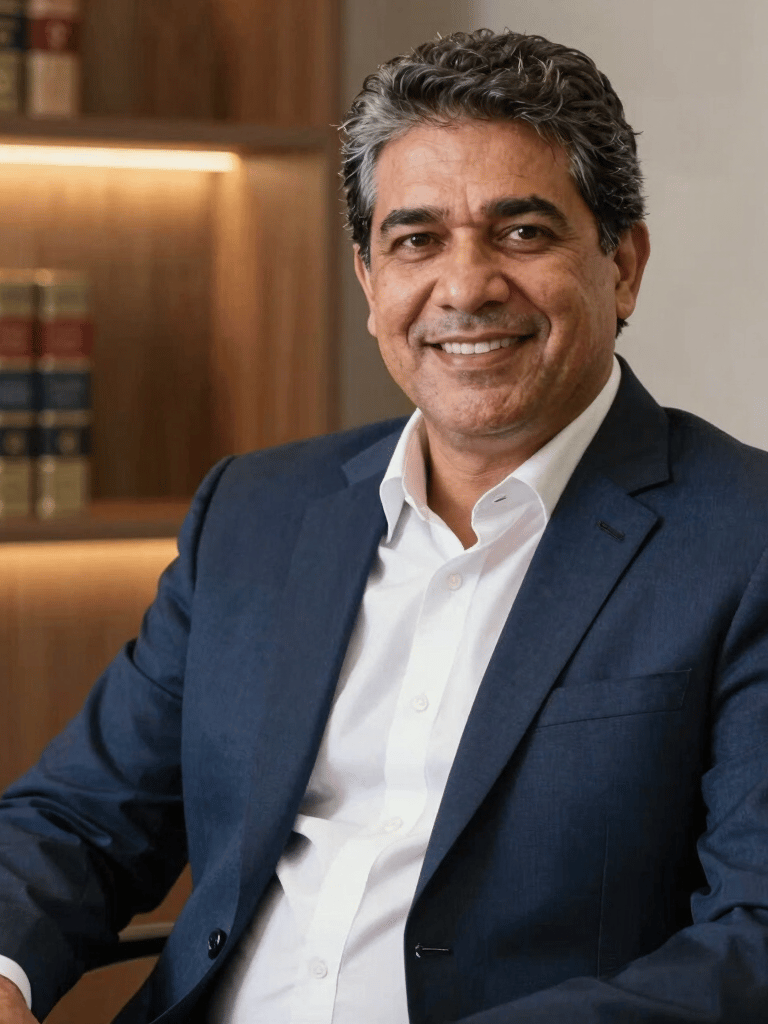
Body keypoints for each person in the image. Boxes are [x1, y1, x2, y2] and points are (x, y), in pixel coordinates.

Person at [2, 26, 768, 1024]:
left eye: (522, 232)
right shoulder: (256, 513)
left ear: (622, 265)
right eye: (416, 240)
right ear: (370, 283)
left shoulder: (741, 538)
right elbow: (76, 816)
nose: (464, 286)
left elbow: (753, 936)